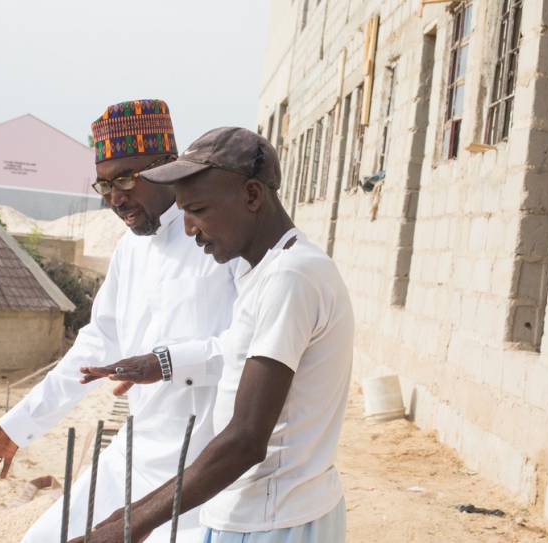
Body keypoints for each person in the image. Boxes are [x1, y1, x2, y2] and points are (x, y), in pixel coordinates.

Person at [0, 99, 238, 543]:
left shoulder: (219, 239)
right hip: (135, 452)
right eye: (104, 185)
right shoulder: (130, 250)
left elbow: (250, 349)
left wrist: (165, 362)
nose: (115, 198)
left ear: (167, 166)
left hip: (203, 466)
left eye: (126, 179)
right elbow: (96, 346)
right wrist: (18, 426)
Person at [74, 127, 355, 543]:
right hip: (261, 513)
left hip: (271, 522)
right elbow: (238, 354)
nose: (188, 229)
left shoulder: (290, 277)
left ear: (252, 196)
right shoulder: (269, 272)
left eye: (199, 210)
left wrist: (135, 522)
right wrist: (164, 363)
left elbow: (244, 439)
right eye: (184, 212)